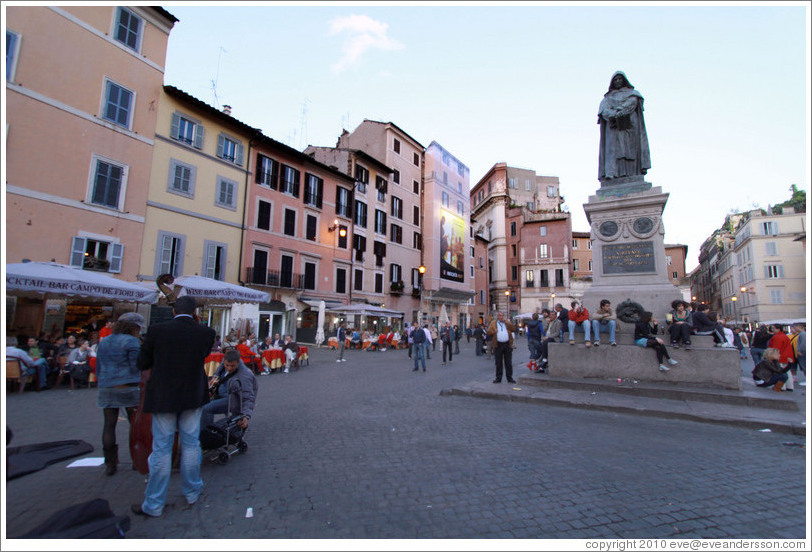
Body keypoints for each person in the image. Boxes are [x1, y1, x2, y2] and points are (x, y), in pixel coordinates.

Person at [133, 295, 215, 518]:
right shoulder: (205, 333)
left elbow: (143, 362)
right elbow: (204, 355)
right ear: (196, 313)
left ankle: (154, 503)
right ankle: (192, 491)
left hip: (163, 396)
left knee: (161, 447)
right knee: (191, 444)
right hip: (192, 395)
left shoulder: (157, 331)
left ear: (173, 312)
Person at [94, 312, 145, 475]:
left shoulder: (105, 341)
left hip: (107, 385)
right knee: (134, 425)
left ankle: (110, 463)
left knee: (109, 424)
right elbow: (136, 365)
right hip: (128, 385)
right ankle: (136, 460)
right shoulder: (132, 341)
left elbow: (99, 365)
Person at [597, 70, 651, 183]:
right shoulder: (607, 99)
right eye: (615, 79)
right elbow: (604, 111)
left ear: (624, 80)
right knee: (614, 151)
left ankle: (633, 173)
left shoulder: (633, 94)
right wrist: (614, 115)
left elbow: (632, 103)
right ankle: (613, 174)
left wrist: (620, 113)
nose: (618, 81)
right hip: (613, 127)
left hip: (629, 126)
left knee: (630, 150)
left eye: (620, 79)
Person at [201, 349, 257, 430]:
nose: (229, 368)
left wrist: (246, 415)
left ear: (238, 362)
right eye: (227, 365)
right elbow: (220, 367)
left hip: (234, 399)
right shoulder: (225, 361)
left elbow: (248, 397)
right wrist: (215, 376)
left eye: (232, 366)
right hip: (223, 393)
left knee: (206, 408)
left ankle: (205, 434)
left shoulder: (245, 375)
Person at [487, 311, 516, 384]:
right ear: (497, 316)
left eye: (502, 315)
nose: (501, 317)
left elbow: (513, 329)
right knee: (498, 362)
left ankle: (510, 378)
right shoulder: (493, 323)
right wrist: (494, 332)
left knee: (508, 362)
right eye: (500, 315)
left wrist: (508, 322)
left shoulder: (507, 323)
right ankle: (498, 378)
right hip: (498, 344)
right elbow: (488, 332)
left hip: (507, 344)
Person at [768, 325, 795, 392]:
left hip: (780, 357)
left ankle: (782, 387)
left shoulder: (777, 337)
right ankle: (790, 386)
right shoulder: (785, 336)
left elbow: (776, 349)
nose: (772, 330)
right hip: (787, 357)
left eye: (773, 328)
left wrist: (773, 357)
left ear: (778, 329)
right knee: (787, 371)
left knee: (779, 372)